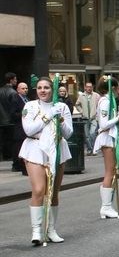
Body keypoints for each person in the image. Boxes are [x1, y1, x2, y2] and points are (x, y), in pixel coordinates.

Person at [20, 76, 73, 245]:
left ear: (53, 90)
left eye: (47, 88)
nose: (43, 90)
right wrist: (48, 116)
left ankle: (51, 229)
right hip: (35, 149)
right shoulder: (30, 106)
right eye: (40, 87)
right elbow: (28, 130)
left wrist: (61, 120)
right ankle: (36, 230)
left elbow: (68, 133)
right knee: (39, 189)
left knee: (53, 192)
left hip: (57, 148)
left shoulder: (62, 106)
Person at [93, 76, 119, 219]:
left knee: (112, 171)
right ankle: (106, 207)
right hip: (107, 138)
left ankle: (107, 206)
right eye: (118, 89)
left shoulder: (109, 101)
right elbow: (104, 124)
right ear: (112, 88)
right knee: (110, 171)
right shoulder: (105, 102)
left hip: (111, 137)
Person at [0, 72, 26, 173]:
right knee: (15, 144)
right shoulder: (13, 93)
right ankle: (16, 164)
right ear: (11, 80)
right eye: (15, 79)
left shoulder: (1, 91)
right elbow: (14, 109)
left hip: (2, 121)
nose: (16, 81)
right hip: (10, 122)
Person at [75, 81, 101, 155]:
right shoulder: (81, 96)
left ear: (92, 87)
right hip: (85, 118)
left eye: (90, 87)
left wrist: (97, 114)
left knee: (92, 133)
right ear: (85, 88)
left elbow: (100, 106)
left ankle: (94, 149)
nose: (89, 88)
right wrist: (82, 111)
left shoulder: (96, 95)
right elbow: (77, 104)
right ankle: (90, 149)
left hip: (94, 117)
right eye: (87, 87)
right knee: (86, 135)